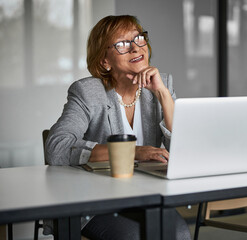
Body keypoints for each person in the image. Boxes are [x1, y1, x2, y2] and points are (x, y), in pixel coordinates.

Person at [45, 15, 191, 240]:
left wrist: (162, 94)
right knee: (135, 237)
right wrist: (131, 151)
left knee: (180, 233)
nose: (135, 48)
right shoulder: (88, 92)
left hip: (146, 198)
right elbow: (56, 147)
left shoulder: (162, 83)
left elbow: (182, 152)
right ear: (105, 61)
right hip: (94, 202)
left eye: (139, 38)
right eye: (122, 44)